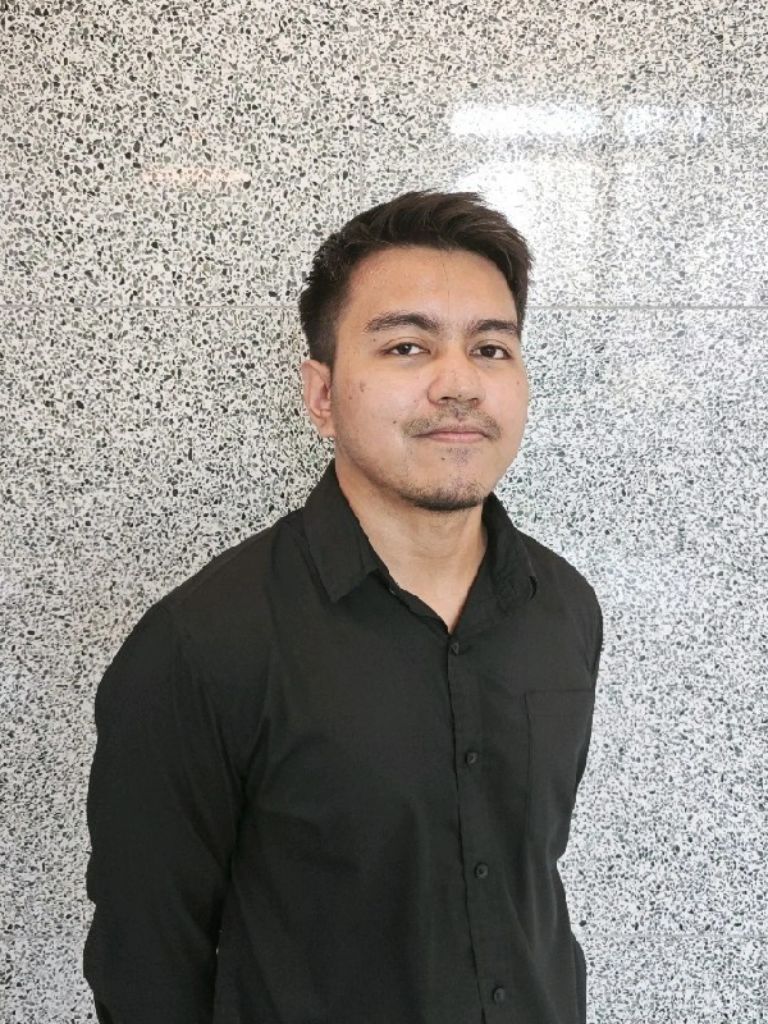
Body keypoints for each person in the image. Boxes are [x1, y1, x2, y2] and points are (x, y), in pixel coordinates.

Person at [83, 188, 604, 1024]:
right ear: (321, 395)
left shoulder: (564, 609)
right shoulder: (203, 645)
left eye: (491, 349)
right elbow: (147, 969)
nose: (459, 384)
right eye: (407, 346)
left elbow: (524, 875)